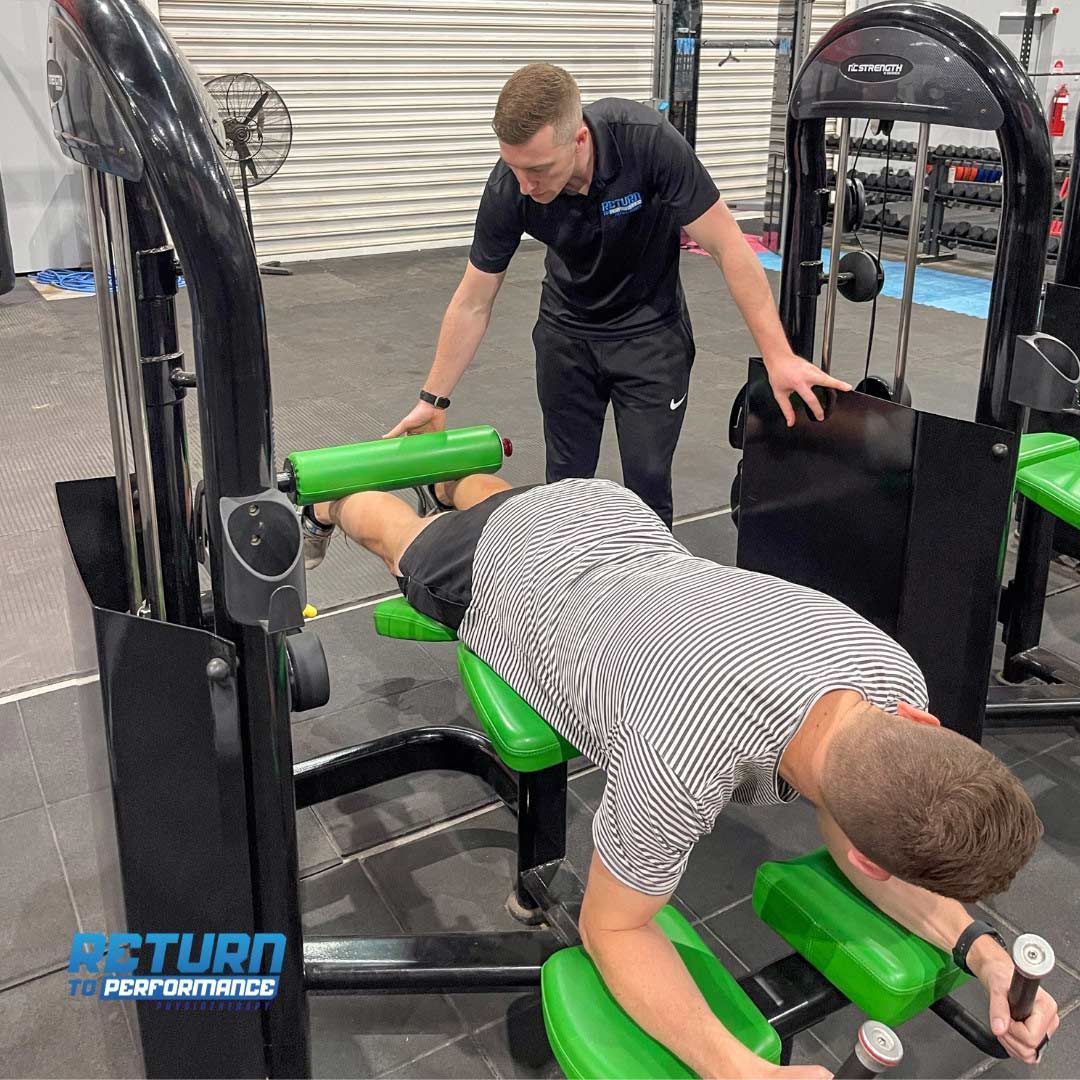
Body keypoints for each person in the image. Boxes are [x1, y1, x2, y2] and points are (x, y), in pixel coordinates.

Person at [302, 478, 1059, 1079]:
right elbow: (611, 927)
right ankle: (331, 500)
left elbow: (868, 811)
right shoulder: (683, 760)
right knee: (399, 540)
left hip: (607, 513)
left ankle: (455, 476)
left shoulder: (892, 676)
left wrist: (985, 955)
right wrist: (734, 1069)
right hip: (507, 568)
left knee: (505, 499)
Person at [385, 63, 850, 527]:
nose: (526, 185)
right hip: (566, 336)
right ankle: (567, 595)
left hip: (650, 336)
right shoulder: (511, 187)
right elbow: (473, 300)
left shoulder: (646, 143)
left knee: (647, 485)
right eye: (515, 167)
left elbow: (729, 247)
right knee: (565, 488)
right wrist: (433, 400)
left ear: (580, 140)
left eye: (539, 169)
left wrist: (777, 357)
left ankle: (648, 594)